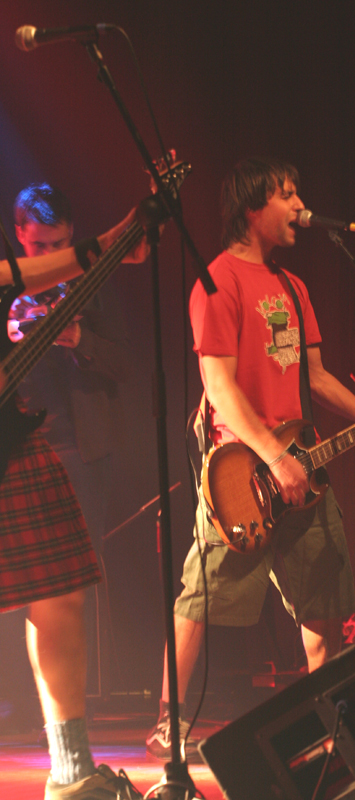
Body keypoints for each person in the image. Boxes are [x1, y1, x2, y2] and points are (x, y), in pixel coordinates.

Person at [146, 156, 355, 759]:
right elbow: (219, 388)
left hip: (299, 464)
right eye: (286, 195)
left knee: (325, 607)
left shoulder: (294, 287)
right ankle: (168, 721)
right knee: (199, 598)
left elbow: (313, 375)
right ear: (252, 207)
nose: (299, 206)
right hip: (239, 472)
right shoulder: (216, 282)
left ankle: (337, 729)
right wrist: (271, 457)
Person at [0, 209, 146, 800]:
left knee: (62, 591)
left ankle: (70, 770)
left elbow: (12, 278)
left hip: (19, 436)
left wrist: (106, 247)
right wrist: (103, 245)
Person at [10, 184, 132, 699]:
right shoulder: (7, 286)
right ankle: (25, 702)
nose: (49, 256)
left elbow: (124, 363)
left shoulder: (91, 284)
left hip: (82, 453)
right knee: (25, 588)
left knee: (72, 589)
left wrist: (79, 339)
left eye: (59, 245)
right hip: (17, 453)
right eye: (38, 246)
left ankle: (68, 713)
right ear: (19, 234)